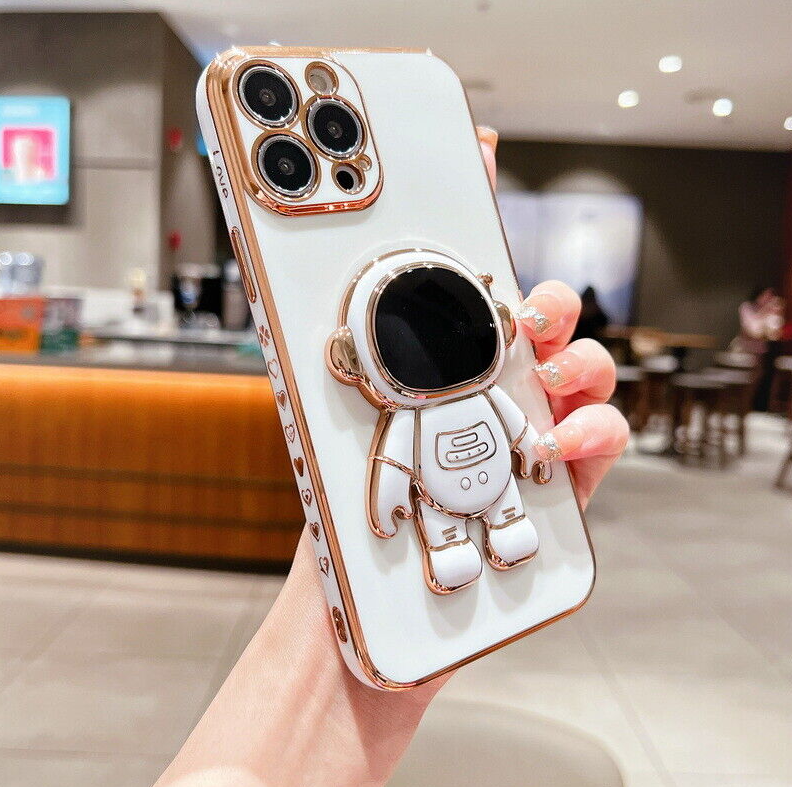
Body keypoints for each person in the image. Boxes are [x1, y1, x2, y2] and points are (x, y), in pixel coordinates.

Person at [154, 127, 629, 787]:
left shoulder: (473, 395)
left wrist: (539, 448)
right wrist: (374, 525)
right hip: (445, 501)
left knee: (499, 513)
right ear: (354, 359)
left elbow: (519, 429)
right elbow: (392, 470)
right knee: (446, 532)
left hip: (496, 482)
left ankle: (506, 527)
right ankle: (466, 541)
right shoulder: (408, 415)